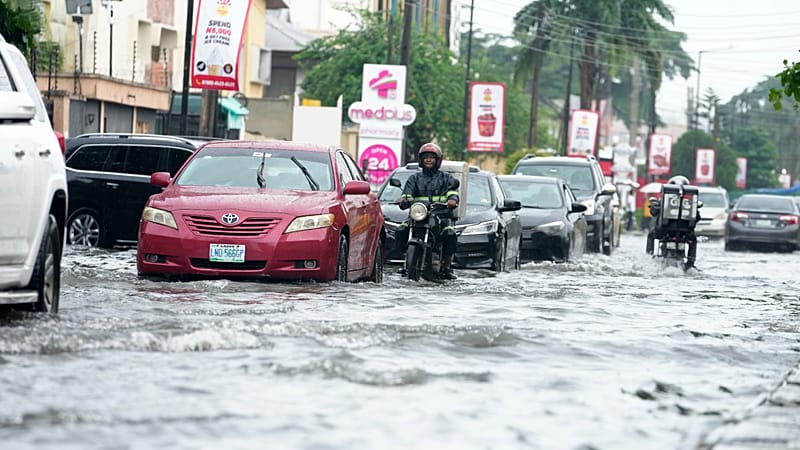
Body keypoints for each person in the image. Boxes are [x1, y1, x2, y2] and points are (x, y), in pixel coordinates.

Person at [395, 142, 460, 280]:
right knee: (401, 230)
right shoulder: (414, 178)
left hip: (441, 216)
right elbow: (407, 195)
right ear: (421, 160)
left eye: (431, 157)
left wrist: (452, 201)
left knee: (449, 234)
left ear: (438, 160)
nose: (428, 160)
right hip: (418, 216)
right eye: (426, 157)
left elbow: (453, 193)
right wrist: (403, 200)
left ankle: (447, 266)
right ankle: (405, 260)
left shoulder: (446, 178)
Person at [646, 175, 699, 268]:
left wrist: (654, 207)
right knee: (693, 240)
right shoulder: (690, 202)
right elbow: (697, 217)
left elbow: (654, 212)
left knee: (651, 235)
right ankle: (691, 263)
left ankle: (648, 258)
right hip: (685, 233)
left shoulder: (665, 200)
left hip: (664, 231)